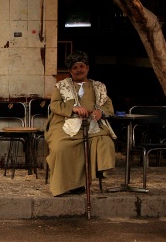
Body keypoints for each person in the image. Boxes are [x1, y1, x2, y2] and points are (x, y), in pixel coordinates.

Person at [44, 50, 116, 197]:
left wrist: (100, 111)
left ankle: (85, 181)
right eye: (75, 68)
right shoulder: (61, 86)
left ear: (87, 68)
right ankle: (64, 185)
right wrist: (73, 109)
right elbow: (55, 105)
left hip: (91, 126)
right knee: (60, 148)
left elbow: (109, 107)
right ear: (70, 71)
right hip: (64, 125)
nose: (79, 70)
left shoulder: (98, 87)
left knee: (105, 142)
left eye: (81, 66)